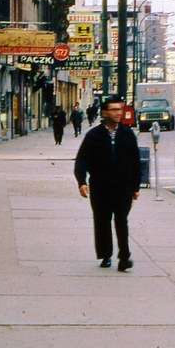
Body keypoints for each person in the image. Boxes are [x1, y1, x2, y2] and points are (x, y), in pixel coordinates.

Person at [74, 96, 141, 272]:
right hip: (100, 186)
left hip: (123, 187)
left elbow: (135, 161)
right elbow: (81, 160)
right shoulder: (94, 135)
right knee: (102, 221)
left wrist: (135, 187)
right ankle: (105, 254)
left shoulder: (127, 134)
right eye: (114, 109)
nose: (118, 112)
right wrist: (82, 182)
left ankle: (124, 256)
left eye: (120, 109)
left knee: (121, 220)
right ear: (104, 112)